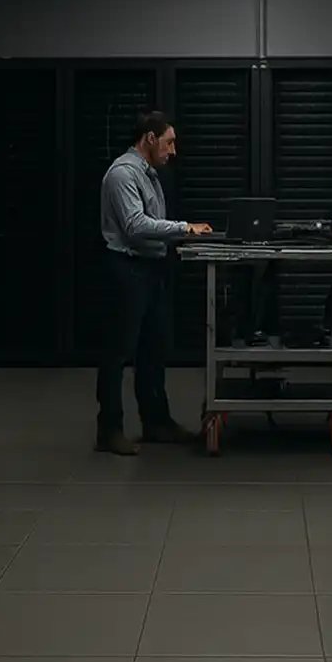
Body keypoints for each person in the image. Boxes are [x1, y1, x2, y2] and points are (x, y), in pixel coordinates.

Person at [96, 111, 212, 455]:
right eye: (169, 142)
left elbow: (152, 224)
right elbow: (134, 225)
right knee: (117, 353)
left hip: (151, 268)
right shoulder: (122, 174)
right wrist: (184, 228)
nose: (173, 150)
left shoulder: (151, 175)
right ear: (149, 138)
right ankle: (109, 430)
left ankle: (157, 423)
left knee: (153, 349)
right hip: (127, 269)